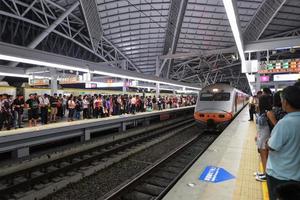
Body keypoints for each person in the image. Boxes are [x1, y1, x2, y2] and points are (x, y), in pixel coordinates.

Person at [266, 86, 300, 200]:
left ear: (286, 102)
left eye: (282, 99)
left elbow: (272, 146)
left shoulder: (285, 123)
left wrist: (267, 141)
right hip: (296, 174)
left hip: (280, 175)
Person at [255, 94, 272, 181]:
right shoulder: (261, 112)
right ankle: (264, 172)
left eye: (258, 101)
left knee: (265, 155)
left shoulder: (268, 112)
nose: (257, 102)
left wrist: (271, 138)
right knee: (262, 155)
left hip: (266, 135)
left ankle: (266, 175)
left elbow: (275, 125)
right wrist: (257, 134)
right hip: (261, 135)